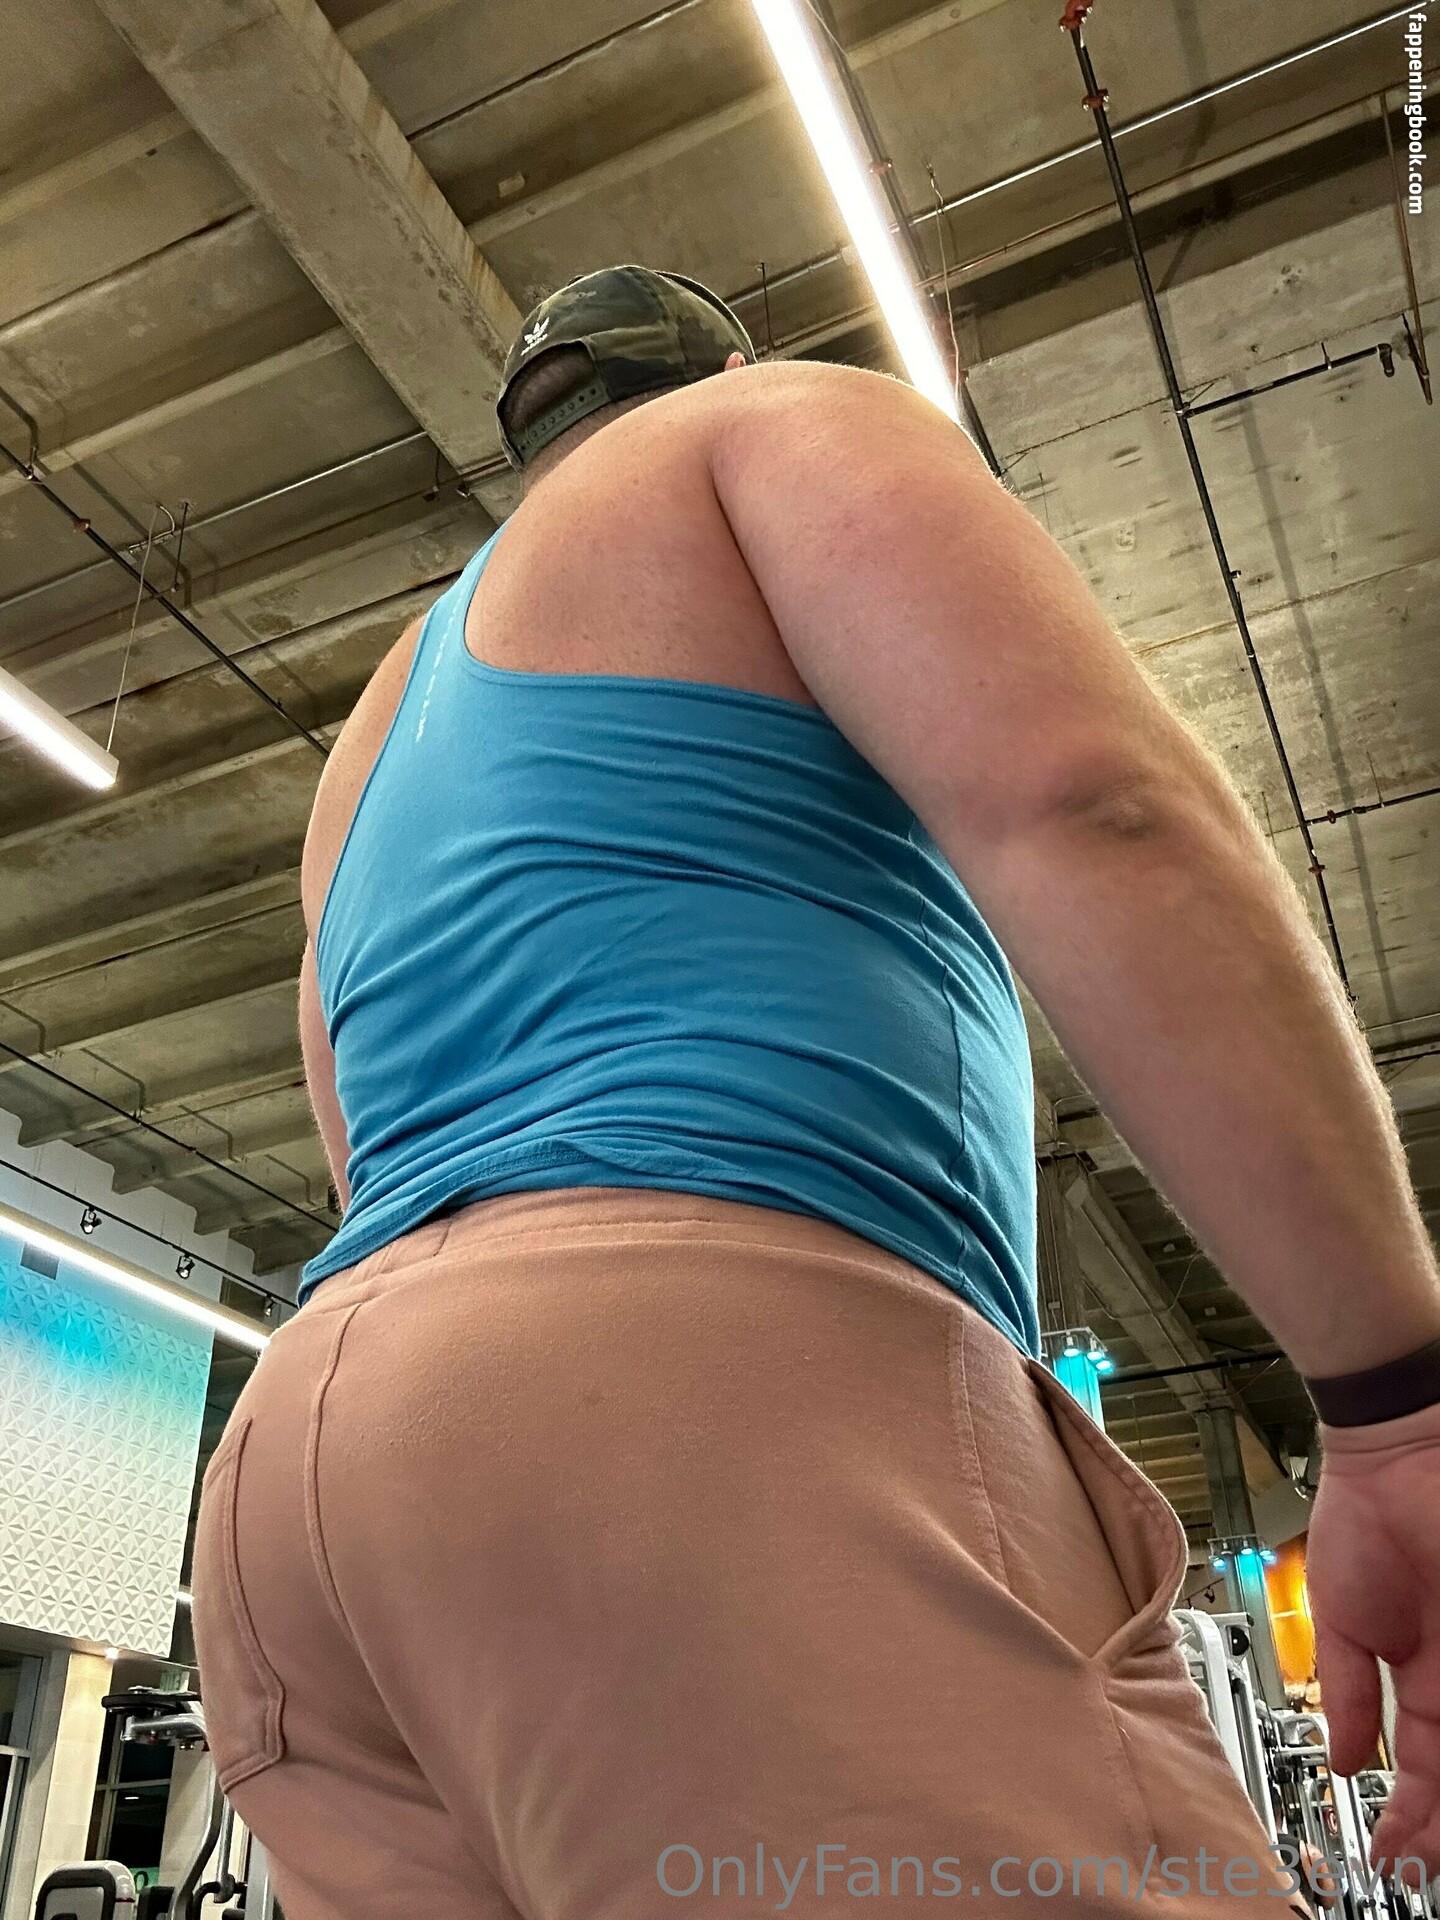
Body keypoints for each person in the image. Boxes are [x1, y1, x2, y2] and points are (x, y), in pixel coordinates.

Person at [191, 264, 1440, 1917]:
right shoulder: (768, 428)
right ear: (724, 364)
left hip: (305, 1482)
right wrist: (1398, 1407)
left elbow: (363, 1155)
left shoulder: (362, 759)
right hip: (690, 1399)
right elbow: (1092, 805)